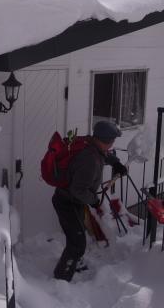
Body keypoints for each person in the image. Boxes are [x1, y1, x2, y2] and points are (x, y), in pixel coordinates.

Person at [52, 121, 127, 282]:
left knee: (77, 235)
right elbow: (78, 190)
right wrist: (94, 201)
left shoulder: (91, 145)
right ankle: (60, 279)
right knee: (78, 242)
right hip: (68, 202)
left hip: (73, 201)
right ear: (105, 140)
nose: (113, 144)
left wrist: (116, 163)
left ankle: (74, 262)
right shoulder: (90, 159)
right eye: (112, 141)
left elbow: (104, 156)